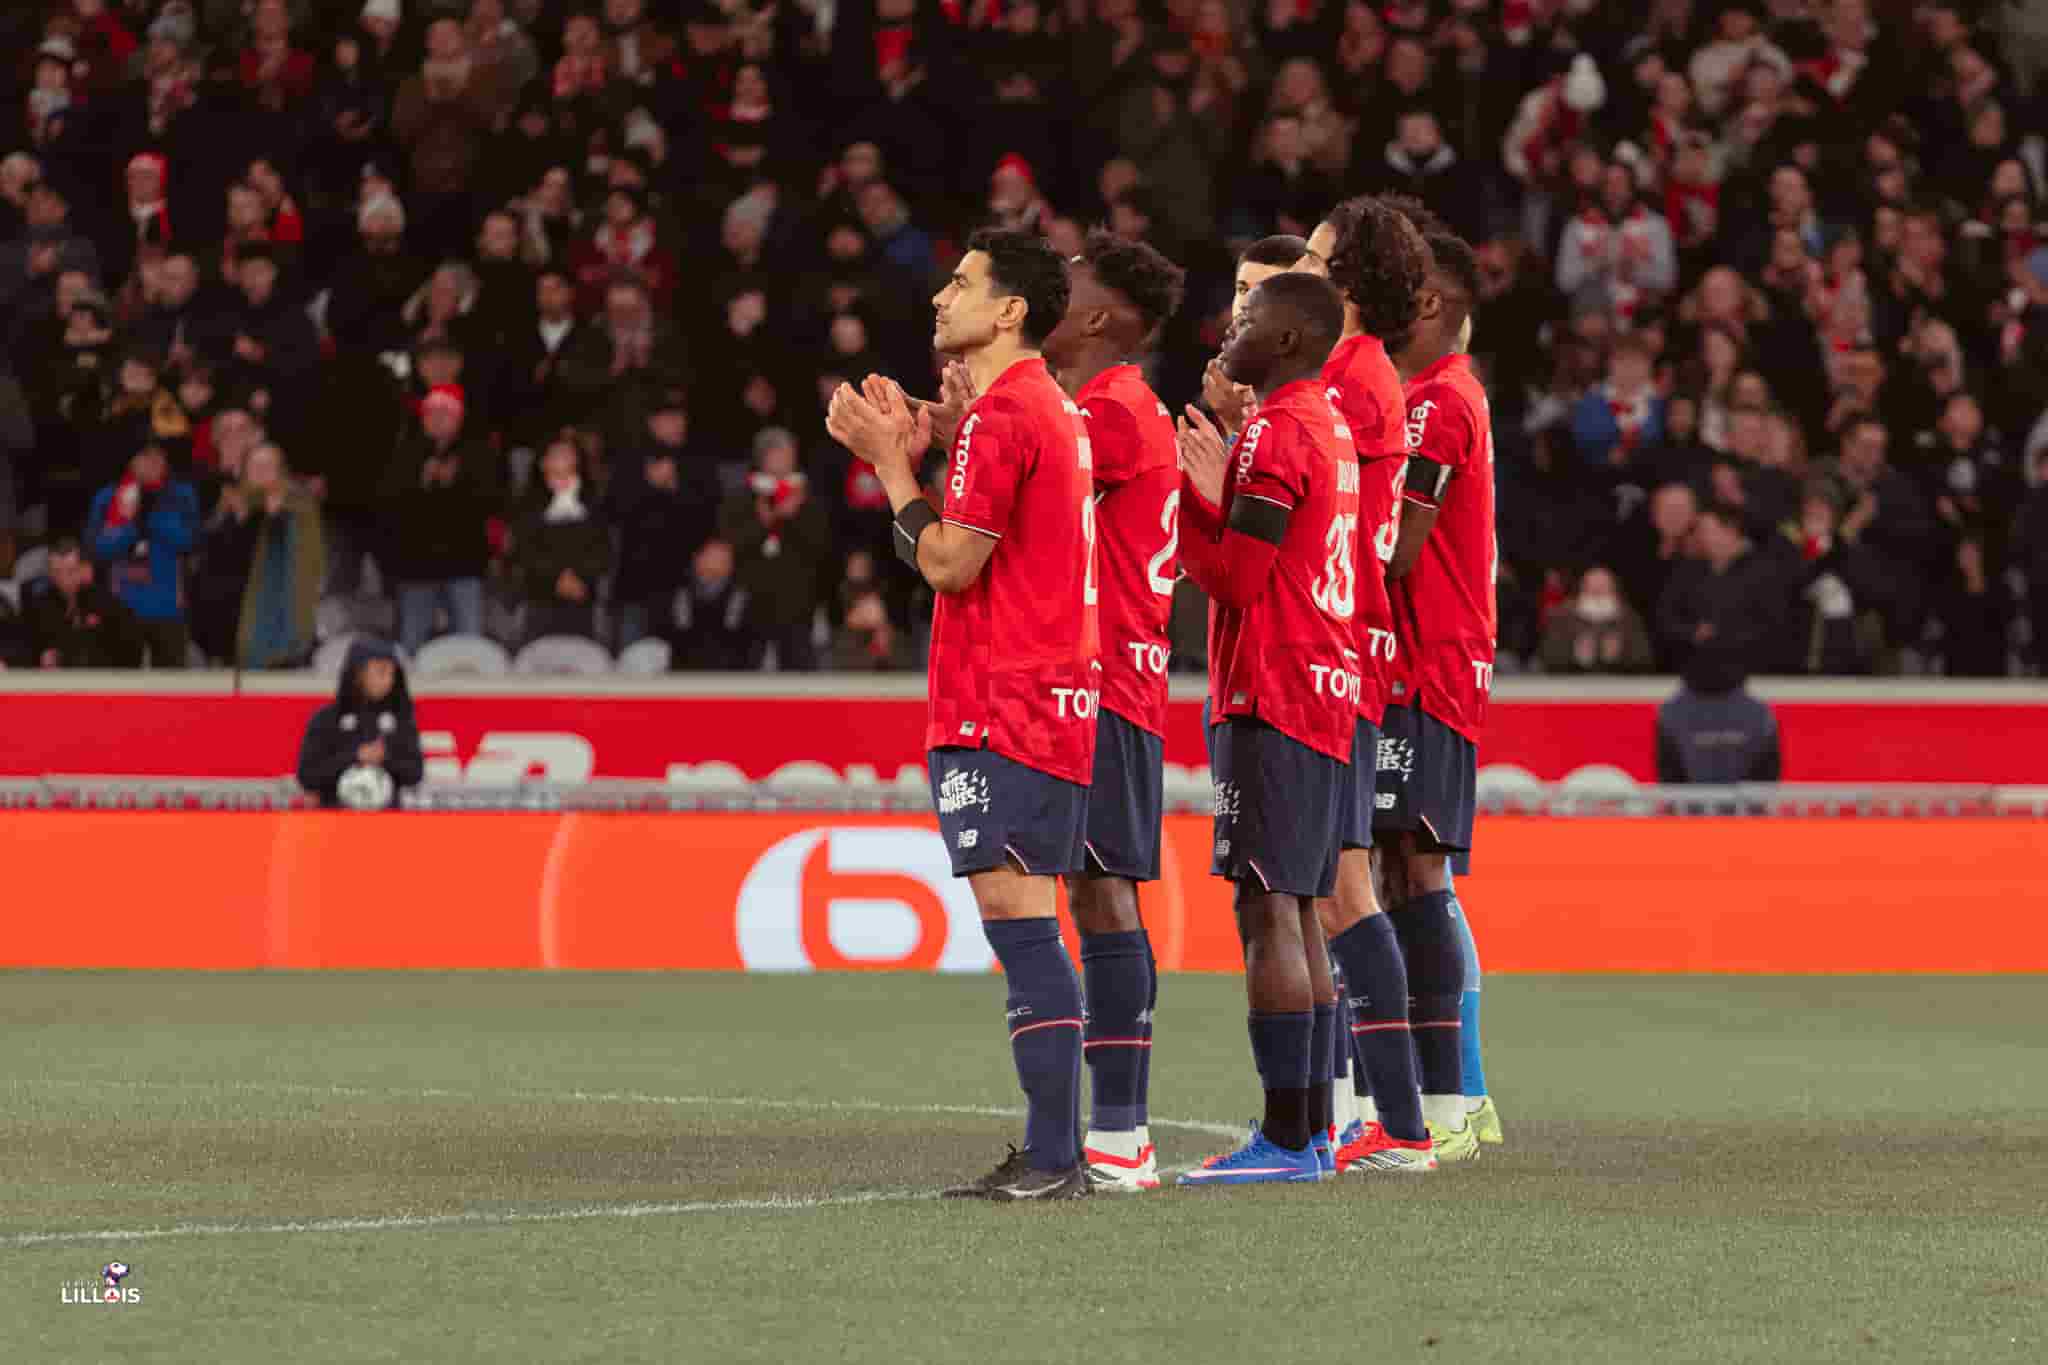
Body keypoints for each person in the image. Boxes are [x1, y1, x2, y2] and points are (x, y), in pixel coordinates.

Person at [826, 229, 1098, 1201]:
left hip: (1004, 698)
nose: (941, 297)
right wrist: (935, 438)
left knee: (1018, 920)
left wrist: (886, 465)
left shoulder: (1005, 414)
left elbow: (947, 562)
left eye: (961, 282)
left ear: (1011, 309)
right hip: (1049, 693)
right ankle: (1055, 1150)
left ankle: (1057, 1155)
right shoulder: (1040, 410)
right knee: (1023, 917)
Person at [1171, 270, 1355, 1186]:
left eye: (1246, 316)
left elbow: (1239, 579)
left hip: (1273, 690)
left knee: (1268, 908)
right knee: (1301, 912)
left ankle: (1287, 1140)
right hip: (1322, 691)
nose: (1229, 324)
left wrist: (1187, 505)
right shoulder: (1324, 425)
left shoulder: (1281, 431)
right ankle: (1311, 1132)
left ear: (1284, 340)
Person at [1036, 230, 1186, 1191]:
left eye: (1066, 286)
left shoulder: (1115, 410)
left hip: (1111, 683)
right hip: (1104, 677)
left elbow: (1036, 487)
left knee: (1102, 894)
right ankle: (1114, 1133)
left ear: (1097, 317)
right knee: (1091, 892)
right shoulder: (1103, 406)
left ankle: (1123, 1136)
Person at [1293, 193, 1437, 1174]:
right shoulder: (1357, 373)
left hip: (1334, 645)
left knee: (1344, 889)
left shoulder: (1345, 381)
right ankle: (1370, 1113)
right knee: (1333, 888)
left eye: (1310, 254)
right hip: (1347, 644)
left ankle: (1399, 1122)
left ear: (1344, 280)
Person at [1380, 223, 1499, 1159]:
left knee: (1414, 867)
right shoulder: (1434, 396)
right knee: (1408, 868)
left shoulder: (1436, 402)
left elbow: (1401, 547)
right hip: (1421, 660)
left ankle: (1452, 1099)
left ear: (1428, 304)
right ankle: (1462, 1092)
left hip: (1427, 661)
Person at [87, 444, 200, 667]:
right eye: (145, 456)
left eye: (159, 456)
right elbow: (97, 549)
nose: (153, 462)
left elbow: (189, 541)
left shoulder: (182, 494)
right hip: (121, 608)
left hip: (168, 608)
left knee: (169, 690)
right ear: (131, 461)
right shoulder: (108, 497)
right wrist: (131, 527)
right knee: (122, 688)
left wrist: (151, 514)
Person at [296, 638, 424, 809]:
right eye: (381, 671)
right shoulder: (327, 719)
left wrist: (385, 759)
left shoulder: (401, 719)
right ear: (358, 673)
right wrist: (354, 756)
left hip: (387, 824)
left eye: (392, 673)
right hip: (334, 821)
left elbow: (415, 773)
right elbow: (307, 776)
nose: (389, 680)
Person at [513, 436, 611, 643]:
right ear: (543, 462)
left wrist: (579, 578)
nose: (562, 460)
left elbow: (603, 551)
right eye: (556, 454)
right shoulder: (529, 502)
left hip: (582, 600)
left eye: (568, 454)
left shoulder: (592, 501)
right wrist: (557, 579)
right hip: (539, 600)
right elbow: (524, 551)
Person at [22, 536, 143, 668]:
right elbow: (25, 647)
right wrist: (40, 657)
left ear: (85, 570)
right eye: (56, 571)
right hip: (56, 685)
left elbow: (132, 651)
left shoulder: (108, 604)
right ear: (49, 573)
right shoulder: (39, 606)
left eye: (70, 571)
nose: (63, 579)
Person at [1539, 566, 1656, 674]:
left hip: (1620, 690)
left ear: (1614, 590)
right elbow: (1548, 660)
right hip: (1572, 689)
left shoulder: (1629, 619)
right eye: (1591, 586)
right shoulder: (1563, 618)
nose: (1597, 591)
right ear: (1582, 589)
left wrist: (1620, 656)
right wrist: (1575, 657)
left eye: (1603, 586)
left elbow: (1645, 661)